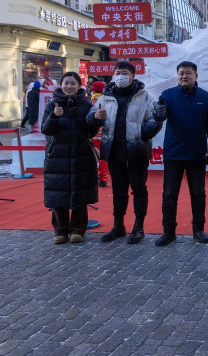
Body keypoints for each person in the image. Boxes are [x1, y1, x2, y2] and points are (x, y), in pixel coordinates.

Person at [87, 62, 162, 244]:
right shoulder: (105, 96)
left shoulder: (145, 97)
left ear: (132, 76)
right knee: (119, 190)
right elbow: (91, 115)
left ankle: (138, 227)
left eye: (124, 73)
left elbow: (155, 120)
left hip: (136, 150)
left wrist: (141, 135)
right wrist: (95, 118)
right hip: (114, 150)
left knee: (138, 190)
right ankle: (118, 226)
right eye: (118, 72)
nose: (120, 76)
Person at [152, 61, 208, 246]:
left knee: (198, 193)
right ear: (177, 75)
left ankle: (198, 230)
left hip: (196, 154)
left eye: (188, 73)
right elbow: (160, 117)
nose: (184, 76)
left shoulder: (205, 96)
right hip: (173, 154)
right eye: (181, 73)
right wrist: (157, 114)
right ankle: (168, 231)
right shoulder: (167, 94)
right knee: (169, 194)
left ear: (196, 75)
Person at [40, 72, 98, 244]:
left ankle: (78, 229)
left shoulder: (86, 105)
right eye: (66, 83)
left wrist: (95, 120)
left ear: (79, 85)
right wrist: (54, 117)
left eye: (73, 83)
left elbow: (90, 132)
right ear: (61, 84)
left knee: (81, 193)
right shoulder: (52, 104)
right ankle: (60, 230)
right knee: (59, 193)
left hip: (81, 154)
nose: (69, 87)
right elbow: (46, 129)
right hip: (58, 154)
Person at [89, 80, 109, 188]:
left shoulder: (94, 100)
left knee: (94, 156)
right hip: (104, 132)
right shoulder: (107, 99)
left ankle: (97, 177)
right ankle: (104, 178)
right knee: (103, 157)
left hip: (95, 132)